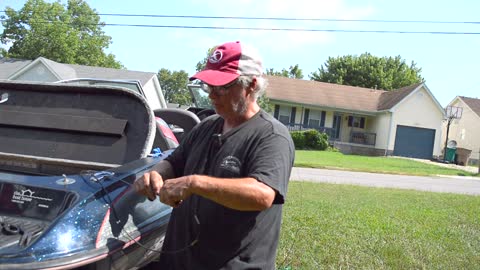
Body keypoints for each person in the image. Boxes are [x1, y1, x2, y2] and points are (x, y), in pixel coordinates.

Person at [134, 41, 295, 269]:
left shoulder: (271, 136)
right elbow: (174, 161)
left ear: (251, 85)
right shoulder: (206, 125)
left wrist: (195, 183)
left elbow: (263, 194)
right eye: (209, 86)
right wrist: (156, 174)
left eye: (222, 88)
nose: (212, 95)